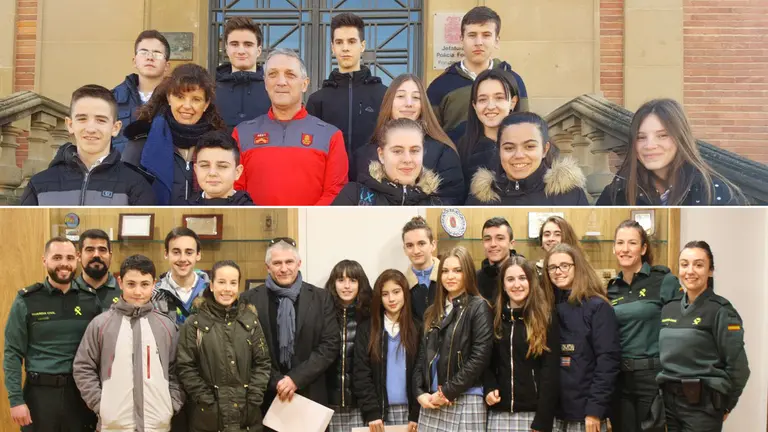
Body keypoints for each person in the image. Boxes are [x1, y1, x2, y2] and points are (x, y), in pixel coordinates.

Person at [73, 254, 183, 431]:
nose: (138, 292)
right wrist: (101, 406)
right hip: (114, 425)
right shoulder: (101, 324)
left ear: (154, 284)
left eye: (145, 284)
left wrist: (172, 404)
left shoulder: (167, 326)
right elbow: (83, 367)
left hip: (156, 424)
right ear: (120, 282)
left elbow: (177, 369)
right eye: (131, 284)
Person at [3, 237, 100, 431]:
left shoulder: (91, 300)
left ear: (77, 260)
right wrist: (15, 400)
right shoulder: (26, 300)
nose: (64, 263)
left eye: (70, 257)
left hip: (80, 394)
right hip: (40, 396)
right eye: (57, 257)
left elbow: (101, 351)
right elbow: (12, 353)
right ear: (44, 260)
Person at [239, 238, 340, 424]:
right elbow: (245, 349)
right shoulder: (249, 299)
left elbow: (330, 345)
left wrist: (295, 379)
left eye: (289, 262)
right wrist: (277, 381)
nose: (284, 268)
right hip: (267, 397)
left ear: (299, 263)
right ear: (267, 267)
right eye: (277, 263)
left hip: (310, 395)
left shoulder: (321, 298)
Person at [233, 49, 349, 205]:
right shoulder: (242, 133)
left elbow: (335, 191)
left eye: (290, 75)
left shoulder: (330, 136)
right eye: (273, 74)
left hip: (311, 228)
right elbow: (234, 188)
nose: (281, 82)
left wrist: (304, 224)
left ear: (305, 84)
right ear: (265, 83)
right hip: (254, 227)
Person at [658, 241, 750, 432]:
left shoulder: (721, 311)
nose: (690, 271)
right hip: (669, 403)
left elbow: (739, 367)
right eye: (684, 264)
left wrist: (726, 405)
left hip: (703, 406)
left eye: (698, 265)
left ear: (710, 271)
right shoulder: (669, 308)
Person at [20, 84, 156, 206]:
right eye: (82, 119)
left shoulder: (136, 184)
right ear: (70, 125)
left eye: (101, 120)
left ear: (115, 128)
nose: (91, 128)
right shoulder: (39, 184)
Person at [177, 260, 271, 432]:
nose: (227, 289)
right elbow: (185, 367)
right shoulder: (194, 324)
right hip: (208, 417)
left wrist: (254, 397)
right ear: (211, 285)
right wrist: (206, 400)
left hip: (247, 416)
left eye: (233, 283)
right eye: (221, 282)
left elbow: (262, 363)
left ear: (239, 287)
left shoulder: (250, 321)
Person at [597, 98, 745, 206]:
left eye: (662, 135)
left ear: (680, 137)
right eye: (641, 137)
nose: (649, 145)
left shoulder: (716, 193)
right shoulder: (616, 193)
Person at [607, 220, 681, 432]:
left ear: (643, 248)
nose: (625, 249)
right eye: (620, 243)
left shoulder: (664, 280)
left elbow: (678, 328)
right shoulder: (611, 289)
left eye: (632, 243)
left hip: (652, 377)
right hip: (619, 378)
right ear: (614, 248)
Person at [413, 246, 493, 432]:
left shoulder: (478, 307)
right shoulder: (431, 312)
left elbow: (479, 357)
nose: (450, 276)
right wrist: (419, 393)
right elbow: (421, 358)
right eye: (445, 271)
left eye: (458, 270)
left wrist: (448, 391)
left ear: (468, 274)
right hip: (431, 400)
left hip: (465, 398)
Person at [122, 63, 227, 205]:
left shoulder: (220, 144)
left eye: (196, 99)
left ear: (206, 104)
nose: (187, 106)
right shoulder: (142, 140)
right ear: (169, 98)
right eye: (180, 97)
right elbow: (125, 193)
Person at [543, 243, 621, 432]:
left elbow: (608, 361)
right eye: (552, 267)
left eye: (564, 265)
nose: (558, 271)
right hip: (555, 413)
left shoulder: (597, 306)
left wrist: (595, 410)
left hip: (586, 415)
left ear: (577, 267)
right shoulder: (546, 307)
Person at [354, 74, 465, 204]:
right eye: (401, 96)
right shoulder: (364, 155)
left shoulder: (444, 153)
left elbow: (451, 199)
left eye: (416, 98)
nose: (408, 104)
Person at [427, 6, 528, 141]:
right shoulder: (439, 86)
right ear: (461, 39)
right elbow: (431, 138)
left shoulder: (513, 81)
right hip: (456, 161)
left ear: (496, 40)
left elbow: (525, 127)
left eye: (486, 35)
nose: (478, 42)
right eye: (472, 35)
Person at [307, 12, 388, 180]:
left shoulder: (384, 95)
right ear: (332, 47)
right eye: (339, 42)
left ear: (362, 45)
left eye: (351, 41)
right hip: (331, 186)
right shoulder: (317, 100)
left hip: (376, 186)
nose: (345, 48)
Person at [484, 256, 559, 432]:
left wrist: (543, 419)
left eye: (522, 278)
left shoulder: (546, 317)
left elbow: (551, 372)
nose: (516, 285)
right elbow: (486, 362)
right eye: (510, 279)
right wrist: (489, 386)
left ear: (532, 282)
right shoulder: (493, 317)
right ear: (503, 285)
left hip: (535, 415)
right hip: (499, 414)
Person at [466, 112, 589, 205]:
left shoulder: (570, 195)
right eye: (509, 148)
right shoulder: (481, 199)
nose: (519, 155)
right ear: (499, 151)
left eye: (529, 146)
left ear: (545, 150)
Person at [354, 269, 422, 432]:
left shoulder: (418, 328)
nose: (391, 299)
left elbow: (422, 373)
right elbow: (361, 373)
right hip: (378, 415)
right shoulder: (367, 329)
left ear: (405, 293)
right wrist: (372, 412)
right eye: (385, 294)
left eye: (396, 292)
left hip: (411, 414)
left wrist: (416, 413)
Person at [332, 119, 443, 205]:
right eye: (397, 151)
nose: (407, 159)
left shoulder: (435, 204)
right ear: (381, 155)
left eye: (414, 151)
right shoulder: (355, 196)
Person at [324, 260, 373, 431]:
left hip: (360, 407)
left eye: (352, 280)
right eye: (340, 280)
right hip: (327, 405)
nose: (346, 286)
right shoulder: (323, 314)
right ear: (333, 284)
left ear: (361, 284)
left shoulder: (371, 316)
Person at [112, 30, 171, 152]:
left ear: (167, 66)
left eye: (157, 53)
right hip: (121, 168)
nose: (150, 57)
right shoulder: (113, 98)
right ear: (134, 61)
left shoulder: (175, 99)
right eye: (144, 52)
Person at [459, 69, 520, 184]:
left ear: (513, 102)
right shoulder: (461, 151)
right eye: (482, 99)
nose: (490, 106)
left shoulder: (534, 146)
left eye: (499, 98)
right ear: (474, 105)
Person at [215, 17, 270, 130]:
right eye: (234, 44)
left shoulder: (273, 87)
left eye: (248, 44)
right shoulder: (210, 89)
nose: (241, 51)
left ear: (259, 50)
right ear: (226, 49)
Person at [152, 227, 210, 325]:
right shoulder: (154, 295)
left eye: (189, 253)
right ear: (166, 254)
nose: (183, 259)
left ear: (198, 255)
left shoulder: (212, 292)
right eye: (176, 252)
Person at [188, 130, 254, 205]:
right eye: (204, 165)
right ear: (196, 170)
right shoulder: (180, 212)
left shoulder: (255, 214)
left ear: (237, 172)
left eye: (222, 166)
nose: (212, 173)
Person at [401, 216, 440, 322]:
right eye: (409, 245)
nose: (416, 251)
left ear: (433, 245)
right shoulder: (401, 284)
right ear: (404, 249)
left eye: (421, 244)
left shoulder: (448, 276)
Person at [476, 217, 523, 303]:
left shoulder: (526, 275)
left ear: (511, 244)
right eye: (487, 239)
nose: (493, 244)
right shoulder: (475, 279)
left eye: (500, 238)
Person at [75, 228, 121, 311]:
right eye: (90, 250)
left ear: (110, 255)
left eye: (102, 250)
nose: (96, 255)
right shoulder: (68, 292)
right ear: (79, 256)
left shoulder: (124, 292)